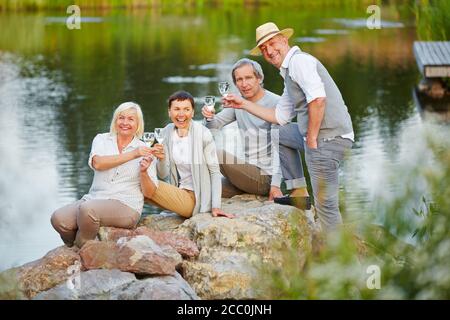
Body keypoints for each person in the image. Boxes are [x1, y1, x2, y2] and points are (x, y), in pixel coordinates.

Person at [224, 22, 354, 231]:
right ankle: (298, 193)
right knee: (280, 132)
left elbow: (318, 100)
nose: (269, 50)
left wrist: (311, 139)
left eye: (272, 43)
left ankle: (338, 258)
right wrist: (243, 103)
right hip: (323, 137)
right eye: (263, 48)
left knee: (326, 205)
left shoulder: (299, 62)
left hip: (329, 139)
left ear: (284, 40)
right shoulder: (289, 74)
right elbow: (278, 117)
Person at [51, 102, 160, 248]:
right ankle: (80, 247)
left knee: (88, 210)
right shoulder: (101, 139)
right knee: (59, 219)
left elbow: (150, 192)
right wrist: (133, 154)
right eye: (121, 118)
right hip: (95, 198)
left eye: (131, 119)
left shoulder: (146, 148)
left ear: (138, 124)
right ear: (115, 120)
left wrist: (144, 172)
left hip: (126, 205)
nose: (125, 122)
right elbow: (98, 163)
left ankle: (84, 249)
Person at [202, 58, 310, 205]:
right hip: (247, 175)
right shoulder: (238, 103)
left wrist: (276, 185)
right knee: (203, 189)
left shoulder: (276, 103)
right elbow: (213, 127)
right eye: (239, 80)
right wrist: (208, 118)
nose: (244, 84)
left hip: (267, 177)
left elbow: (282, 147)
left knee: (217, 154)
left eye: (248, 78)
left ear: (259, 78)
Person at [140, 90, 234, 219]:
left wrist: (216, 206)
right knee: (138, 188)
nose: (181, 114)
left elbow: (215, 172)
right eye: (176, 109)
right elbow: (163, 174)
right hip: (179, 191)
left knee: (142, 182)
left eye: (186, 109)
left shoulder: (203, 133)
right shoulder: (166, 132)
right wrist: (161, 159)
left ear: (193, 112)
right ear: (169, 112)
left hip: (196, 199)